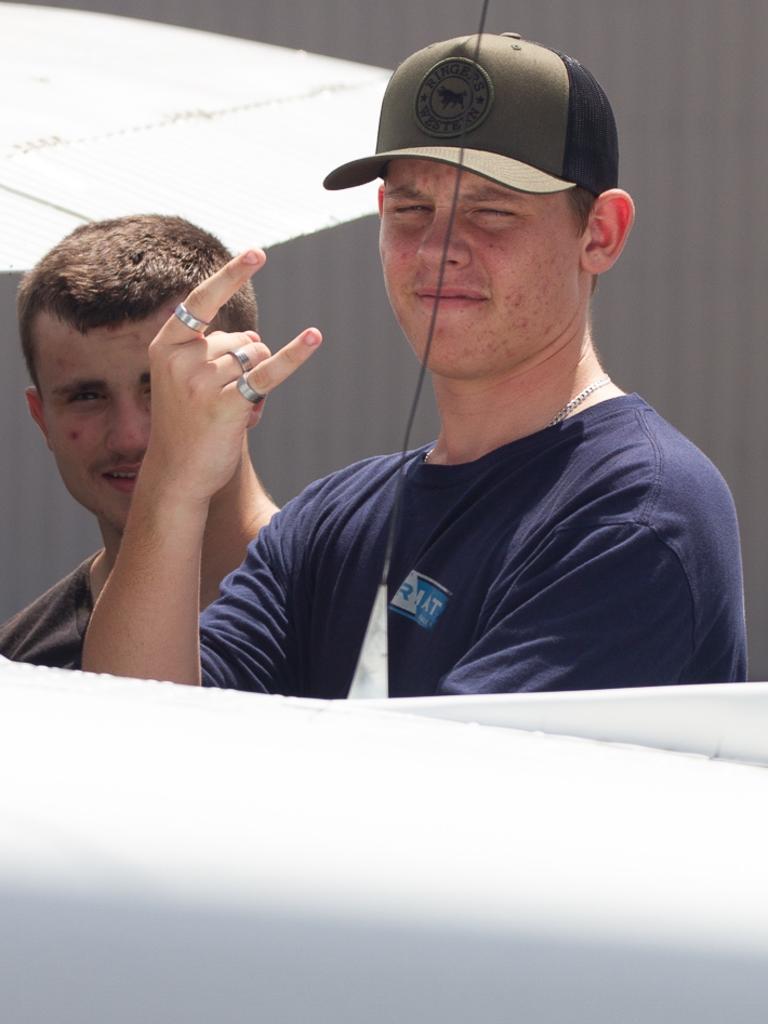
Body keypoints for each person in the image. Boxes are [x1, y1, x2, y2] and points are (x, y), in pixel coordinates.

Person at [83, 33, 747, 694]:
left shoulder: (639, 511)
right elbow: (135, 734)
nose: (439, 248)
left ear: (599, 233)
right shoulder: (329, 518)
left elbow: (443, 791)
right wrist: (170, 484)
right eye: (411, 209)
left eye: (492, 212)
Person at [0, 214, 280, 670]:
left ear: (250, 389)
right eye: (87, 396)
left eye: (162, 388)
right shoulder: (21, 670)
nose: (130, 436)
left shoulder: (347, 601)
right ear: (42, 418)